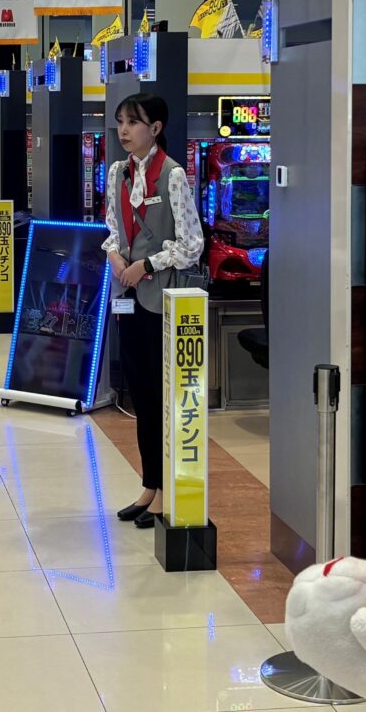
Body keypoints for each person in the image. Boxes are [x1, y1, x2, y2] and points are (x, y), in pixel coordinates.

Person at [102, 93, 204, 529]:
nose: (124, 130)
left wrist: (146, 264)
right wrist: (114, 255)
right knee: (141, 394)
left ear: (156, 128)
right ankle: (149, 484)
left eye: (133, 122)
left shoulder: (173, 174)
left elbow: (192, 244)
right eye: (120, 122)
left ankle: (166, 491)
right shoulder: (117, 172)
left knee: (163, 397)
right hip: (128, 298)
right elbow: (112, 226)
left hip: (163, 300)